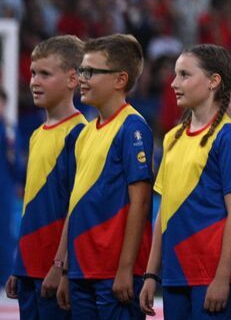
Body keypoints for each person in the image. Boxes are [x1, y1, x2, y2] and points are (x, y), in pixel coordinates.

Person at [139, 46, 231, 320]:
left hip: (212, 276)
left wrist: (223, 278)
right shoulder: (172, 138)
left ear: (213, 81)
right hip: (176, 274)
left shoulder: (228, 137)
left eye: (185, 75)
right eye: (175, 75)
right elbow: (163, 212)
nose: (174, 83)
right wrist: (152, 273)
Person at [57, 34, 154, 320]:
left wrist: (126, 269)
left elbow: (141, 203)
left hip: (114, 273)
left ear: (120, 80)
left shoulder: (133, 127)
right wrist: (64, 268)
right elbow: (75, 203)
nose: (81, 78)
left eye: (90, 72)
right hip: (80, 271)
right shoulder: (85, 133)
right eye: (80, 70)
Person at [8, 35, 84, 320]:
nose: (34, 81)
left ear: (72, 79)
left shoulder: (80, 134)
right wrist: (19, 264)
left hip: (55, 269)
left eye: (45, 74)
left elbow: (75, 207)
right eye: (32, 73)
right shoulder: (38, 135)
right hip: (29, 266)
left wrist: (60, 265)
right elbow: (31, 205)